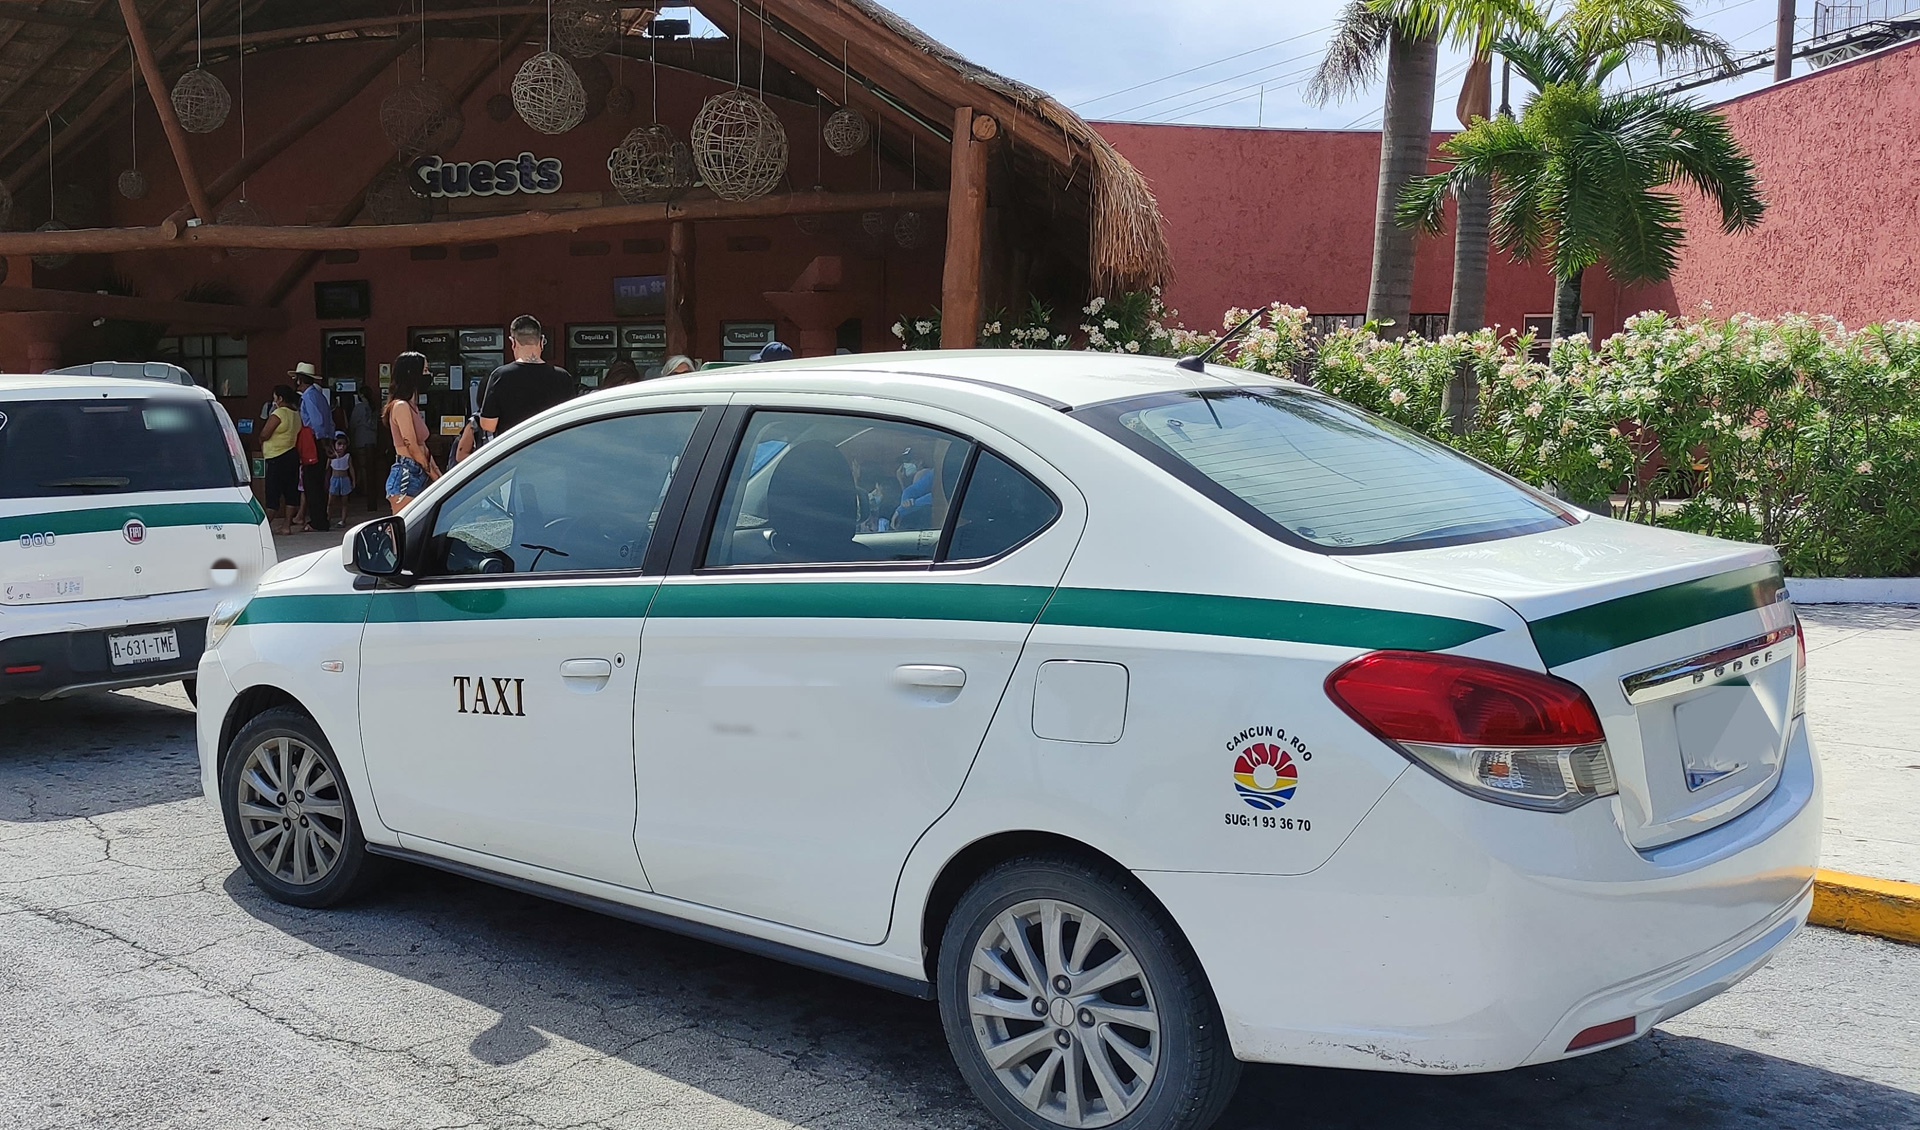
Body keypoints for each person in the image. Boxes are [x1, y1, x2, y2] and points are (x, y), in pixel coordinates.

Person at [479, 314, 574, 439]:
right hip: (552, 451)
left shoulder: (500, 376)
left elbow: (488, 425)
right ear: (542, 341)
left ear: (513, 342)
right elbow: (570, 420)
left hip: (514, 451)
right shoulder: (563, 377)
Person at [383, 353, 440, 513]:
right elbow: (411, 445)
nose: (428, 375)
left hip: (418, 471)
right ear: (411, 373)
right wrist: (434, 476)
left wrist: (437, 474)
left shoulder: (411, 406)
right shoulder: (401, 406)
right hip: (407, 474)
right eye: (425, 370)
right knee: (403, 529)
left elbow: (423, 447)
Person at [292, 362, 334, 531]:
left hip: (313, 440)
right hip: (321, 441)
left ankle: (318, 521)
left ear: (300, 380)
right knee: (318, 482)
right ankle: (321, 518)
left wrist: (322, 441)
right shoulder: (319, 395)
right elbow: (328, 420)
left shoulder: (308, 397)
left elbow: (316, 422)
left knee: (312, 483)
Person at [258, 385, 302, 535]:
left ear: (280, 399)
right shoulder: (296, 414)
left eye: (275, 397)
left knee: (272, 494)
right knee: (291, 492)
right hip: (292, 455)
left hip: (276, 457)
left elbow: (265, 433)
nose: (273, 400)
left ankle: (263, 528)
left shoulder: (278, 413)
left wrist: (261, 440)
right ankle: (286, 526)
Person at [348, 385, 379, 512]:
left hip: (361, 439)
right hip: (372, 439)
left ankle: (362, 489)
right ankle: (369, 491)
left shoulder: (359, 408)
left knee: (362, 467)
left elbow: (352, 424)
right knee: (370, 467)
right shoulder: (374, 408)